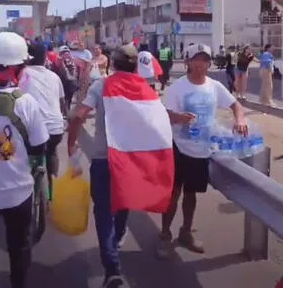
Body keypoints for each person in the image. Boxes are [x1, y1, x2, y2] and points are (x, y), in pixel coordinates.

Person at [157, 43, 247, 259]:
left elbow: (235, 105)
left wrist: (241, 119)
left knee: (191, 195)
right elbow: (164, 114)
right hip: (179, 148)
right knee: (173, 194)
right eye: (196, 60)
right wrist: (178, 118)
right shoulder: (177, 87)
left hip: (202, 151)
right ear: (188, 62)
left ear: (209, 63)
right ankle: (164, 235)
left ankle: (186, 232)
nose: (200, 64)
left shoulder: (214, 86)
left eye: (204, 60)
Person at [66, 45, 144, 288]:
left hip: (103, 159)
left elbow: (79, 115)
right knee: (123, 202)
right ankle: (118, 237)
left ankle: (112, 268)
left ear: (113, 64)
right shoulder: (143, 88)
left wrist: (71, 143)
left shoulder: (102, 85)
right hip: (130, 159)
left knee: (103, 212)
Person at [0, 32, 49, 288]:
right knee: (19, 247)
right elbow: (40, 146)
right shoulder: (26, 103)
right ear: (18, 68)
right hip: (17, 193)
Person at [19, 42, 66, 187]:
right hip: (56, 130)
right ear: (45, 57)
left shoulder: (22, 74)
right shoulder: (54, 77)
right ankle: (53, 183)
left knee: (25, 154)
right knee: (52, 151)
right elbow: (62, 103)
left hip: (33, 131)